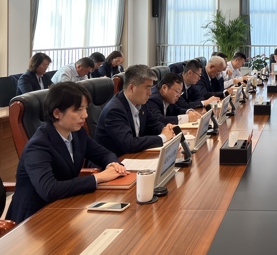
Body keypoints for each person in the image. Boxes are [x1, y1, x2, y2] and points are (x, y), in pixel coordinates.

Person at [6, 82, 126, 224]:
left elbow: (104, 154)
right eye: (78, 110)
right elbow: (49, 190)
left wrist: (112, 164)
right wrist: (98, 178)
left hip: (65, 206)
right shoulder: (38, 145)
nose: (85, 115)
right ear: (57, 113)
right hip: (33, 219)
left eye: (86, 108)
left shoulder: (77, 133)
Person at [95, 65, 175, 157]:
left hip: (134, 156)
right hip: (116, 161)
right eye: (147, 88)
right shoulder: (114, 111)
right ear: (131, 88)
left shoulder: (140, 102)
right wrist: (163, 137)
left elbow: (152, 123)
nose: (150, 93)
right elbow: (129, 144)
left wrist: (165, 129)